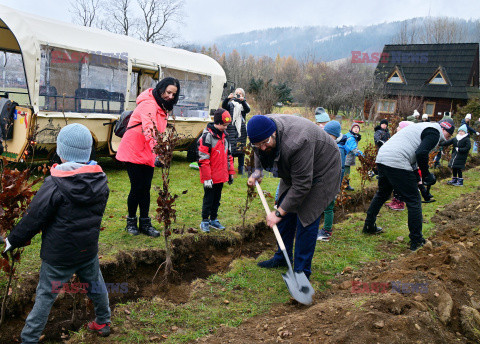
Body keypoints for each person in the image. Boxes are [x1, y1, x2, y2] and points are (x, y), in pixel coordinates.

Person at [3, 123, 111, 341]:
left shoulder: (54, 184)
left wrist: (12, 240)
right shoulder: (100, 180)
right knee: (96, 285)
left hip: (58, 256)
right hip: (87, 250)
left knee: (45, 295)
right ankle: (103, 321)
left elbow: (34, 218)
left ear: (61, 152)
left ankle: (29, 338)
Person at [246, 115, 341, 279]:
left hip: (323, 169)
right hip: (296, 169)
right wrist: (258, 171)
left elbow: (303, 184)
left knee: (306, 218)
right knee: (284, 213)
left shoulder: (297, 142)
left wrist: (277, 213)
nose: (262, 147)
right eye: (257, 144)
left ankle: (301, 273)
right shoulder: (261, 130)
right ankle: (282, 258)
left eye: (265, 142)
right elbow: (258, 151)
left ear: (274, 133)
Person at [363, 119, 455, 251]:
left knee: (382, 193)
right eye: (449, 135)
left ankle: (369, 226)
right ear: (445, 130)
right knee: (413, 200)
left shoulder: (423, 127)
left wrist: (422, 188)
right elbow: (421, 153)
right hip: (397, 159)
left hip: (383, 156)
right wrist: (427, 175)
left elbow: (413, 162)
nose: (446, 139)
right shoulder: (435, 133)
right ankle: (416, 241)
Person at [116, 77, 180, 237]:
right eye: (168, 92)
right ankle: (131, 222)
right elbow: (149, 129)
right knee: (137, 188)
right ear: (161, 89)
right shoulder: (149, 104)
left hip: (148, 152)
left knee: (145, 189)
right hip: (134, 150)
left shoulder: (162, 108)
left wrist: (160, 150)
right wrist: (158, 153)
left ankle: (145, 223)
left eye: (174, 94)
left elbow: (158, 133)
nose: (170, 96)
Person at [198, 109, 235, 233]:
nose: (225, 128)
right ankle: (204, 220)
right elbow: (203, 159)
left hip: (221, 176)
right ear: (217, 123)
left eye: (227, 125)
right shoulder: (207, 137)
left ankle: (213, 219)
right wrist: (207, 178)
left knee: (217, 199)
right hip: (210, 177)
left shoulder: (225, 137)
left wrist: (230, 173)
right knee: (208, 199)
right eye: (224, 125)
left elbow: (229, 156)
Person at [317, 120, 347, 242]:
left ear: (334, 135)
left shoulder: (339, 149)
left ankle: (326, 232)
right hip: (325, 182)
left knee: (328, 208)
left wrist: (335, 186)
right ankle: (323, 229)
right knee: (322, 206)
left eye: (328, 134)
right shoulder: (331, 145)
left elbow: (341, 169)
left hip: (331, 184)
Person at [222, 88, 250, 175]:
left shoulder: (244, 105)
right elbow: (224, 106)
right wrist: (227, 98)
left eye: (240, 93)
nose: (238, 95)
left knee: (241, 150)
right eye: (237, 93)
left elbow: (247, 110)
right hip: (230, 128)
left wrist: (243, 101)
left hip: (241, 130)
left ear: (243, 95)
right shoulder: (230, 104)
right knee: (231, 149)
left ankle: (241, 168)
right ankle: (230, 168)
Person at [343, 123, 363, 191]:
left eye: (357, 128)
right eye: (354, 128)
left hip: (346, 156)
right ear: (351, 129)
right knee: (346, 172)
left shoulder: (353, 136)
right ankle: (345, 186)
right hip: (346, 157)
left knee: (345, 171)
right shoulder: (351, 138)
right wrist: (362, 156)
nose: (356, 129)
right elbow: (354, 149)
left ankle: (344, 185)